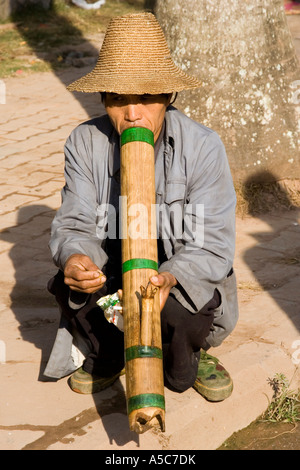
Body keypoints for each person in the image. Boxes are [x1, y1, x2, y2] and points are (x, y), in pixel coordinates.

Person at [44, 12, 239, 402]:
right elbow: (75, 221)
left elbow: (212, 244)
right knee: (68, 286)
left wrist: (170, 277)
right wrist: (75, 258)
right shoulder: (84, 142)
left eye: (147, 98)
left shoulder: (202, 146)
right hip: (117, 266)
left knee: (178, 361)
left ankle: (191, 357)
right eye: (118, 99)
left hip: (172, 277)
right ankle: (108, 353)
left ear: (169, 97)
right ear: (103, 100)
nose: (133, 113)